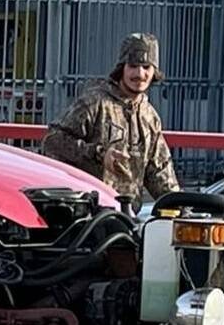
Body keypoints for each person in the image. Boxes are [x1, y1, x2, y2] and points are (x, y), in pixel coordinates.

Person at [43, 32, 180, 208]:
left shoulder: (150, 117)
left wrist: (180, 206)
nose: (139, 73)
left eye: (146, 67)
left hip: (126, 217)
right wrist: (98, 154)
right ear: (121, 68)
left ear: (155, 72)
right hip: (88, 214)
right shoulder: (95, 103)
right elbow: (52, 141)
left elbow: (160, 172)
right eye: (133, 66)